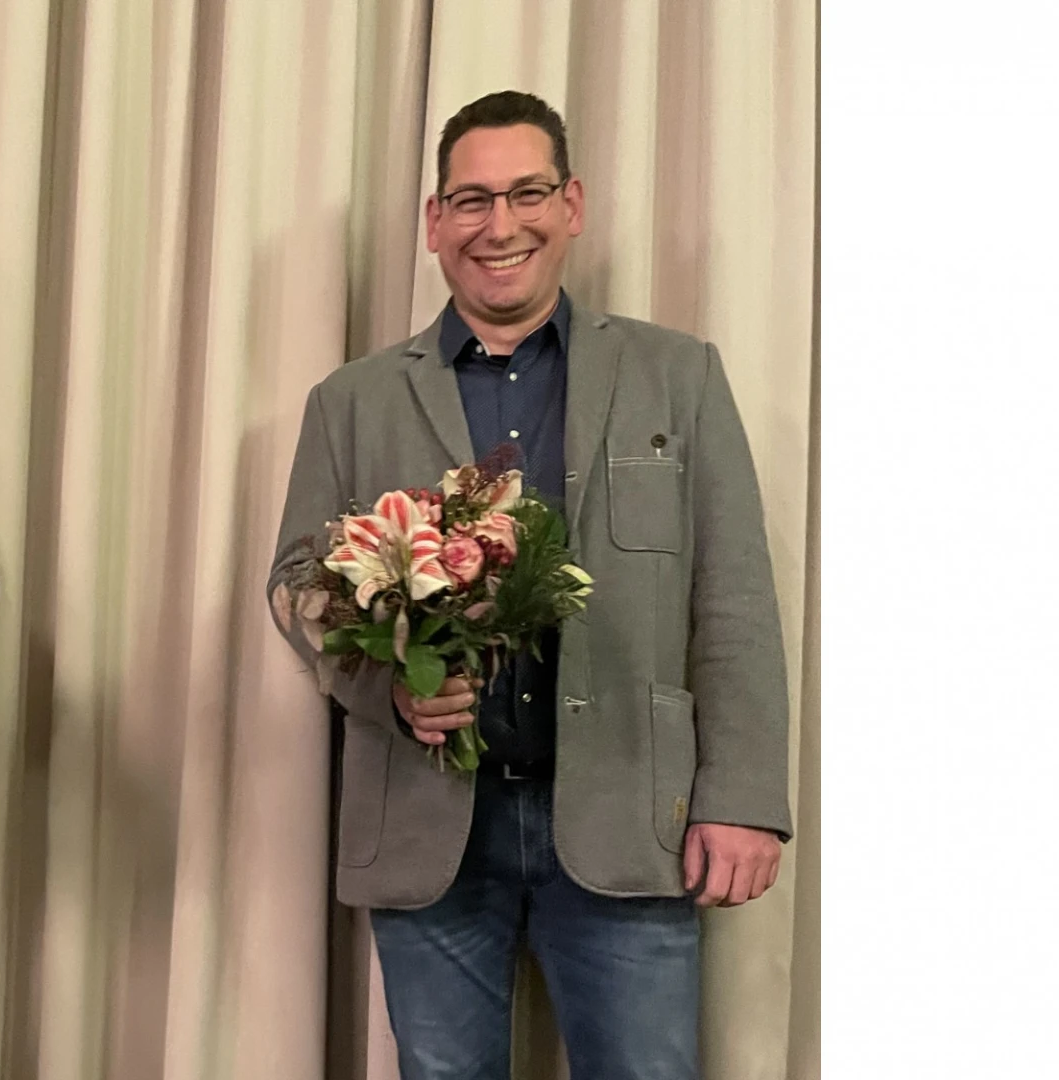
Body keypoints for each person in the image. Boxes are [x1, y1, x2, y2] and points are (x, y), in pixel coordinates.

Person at [266, 91, 790, 1080]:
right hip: (428, 831)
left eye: (526, 193)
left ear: (573, 203)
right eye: (470, 199)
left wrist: (746, 797)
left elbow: (733, 591)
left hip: (634, 819)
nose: (498, 225)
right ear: (434, 223)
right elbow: (298, 585)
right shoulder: (353, 400)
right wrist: (391, 687)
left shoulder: (679, 377)